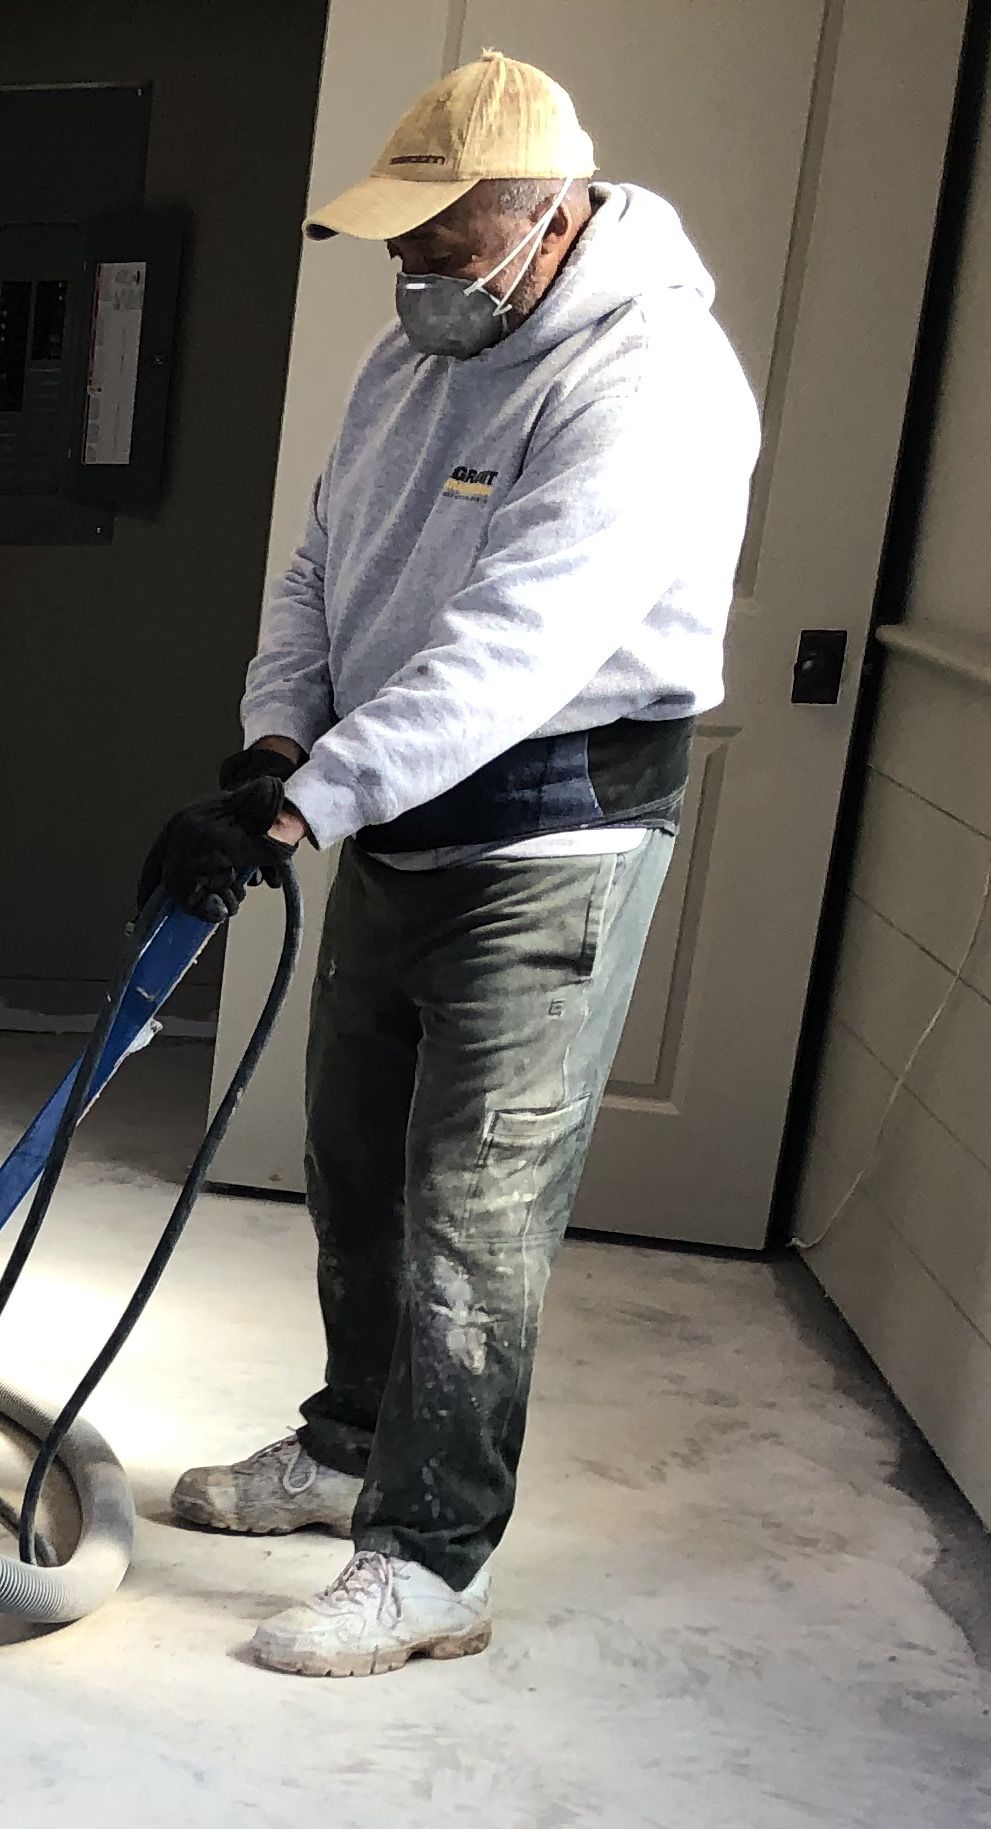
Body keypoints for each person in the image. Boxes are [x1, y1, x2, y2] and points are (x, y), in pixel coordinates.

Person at [139, 52, 757, 1676]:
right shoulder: (418, 352)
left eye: (441, 235)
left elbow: (519, 648)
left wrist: (297, 811)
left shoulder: (650, 381)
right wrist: (278, 748)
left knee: (474, 1205)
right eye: (399, 238)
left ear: (547, 214)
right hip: (395, 814)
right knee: (353, 1155)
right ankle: (350, 1446)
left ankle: (434, 1557)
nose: (410, 266)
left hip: (552, 834)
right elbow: (322, 558)